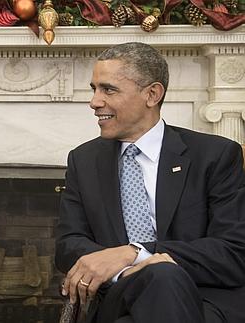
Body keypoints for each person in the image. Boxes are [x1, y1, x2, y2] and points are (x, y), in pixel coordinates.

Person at [55, 42, 245, 323]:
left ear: (152, 94)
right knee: (159, 276)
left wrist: (135, 254)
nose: (94, 102)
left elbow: (233, 251)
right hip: (119, 295)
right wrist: (125, 268)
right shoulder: (84, 161)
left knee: (162, 278)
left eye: (108, 89)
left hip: (204, 299)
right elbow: (68, 244)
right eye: (93, 89)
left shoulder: (214, 155)